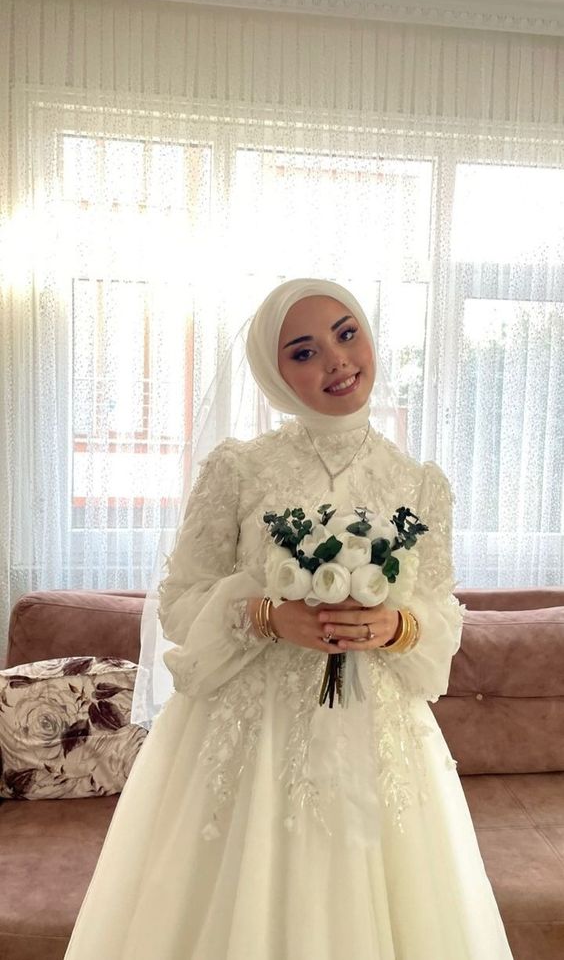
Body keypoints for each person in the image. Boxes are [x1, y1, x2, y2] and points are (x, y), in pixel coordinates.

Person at [64, 279, 514, 959]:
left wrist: (395, 628)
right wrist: (267, 614)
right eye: (304, 352)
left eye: (346, 333)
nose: (337, 360)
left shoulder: (421, 485)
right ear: (274, 374)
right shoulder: (239, 469)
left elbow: (439, 613)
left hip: (377, 737)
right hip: (249, 737)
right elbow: (180, 601)